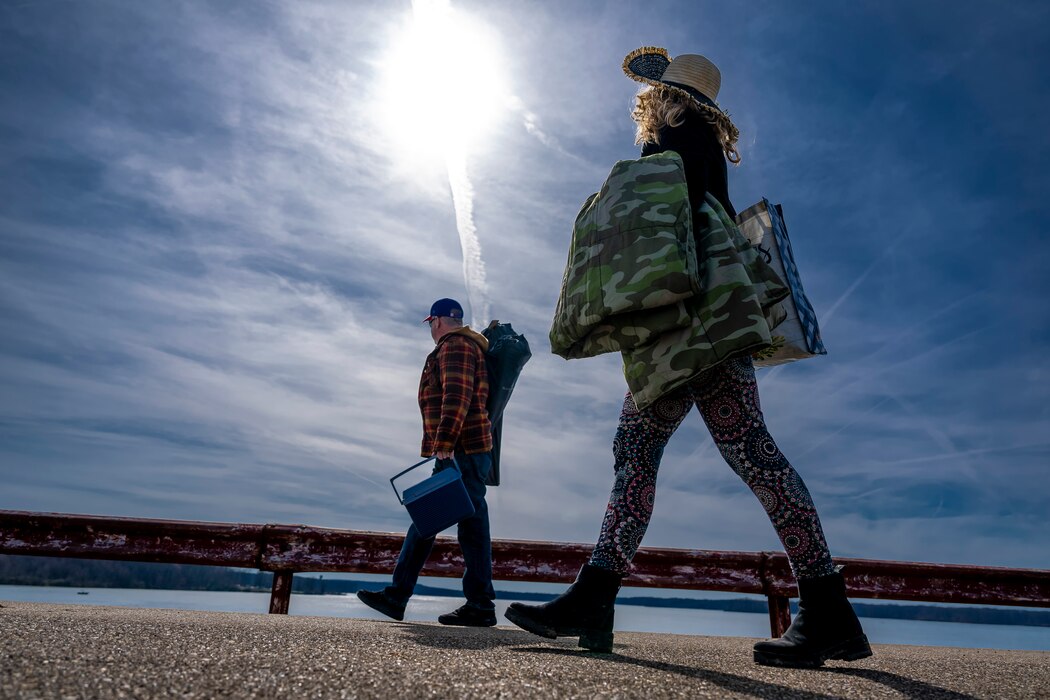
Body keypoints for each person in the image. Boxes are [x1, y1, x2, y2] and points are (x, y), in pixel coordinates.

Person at [505, 47, 872, 668]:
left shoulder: (677, 129)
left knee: (746, 453)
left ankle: (827, 608)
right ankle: (594, 595)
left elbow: (655, 221)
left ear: (668, 97)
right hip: (701, 318)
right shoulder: (700, 137)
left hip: (695, 321)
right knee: (644, 452)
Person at [357, 298, 497, 627]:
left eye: (429, 324)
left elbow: (457, 395)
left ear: (435, 321)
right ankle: (474, 602)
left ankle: (403, 596)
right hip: (464, 450)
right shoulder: (461, 346)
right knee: (448, 522)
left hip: (461, 450)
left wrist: (445, 442)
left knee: (433, 519)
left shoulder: (456, 346)